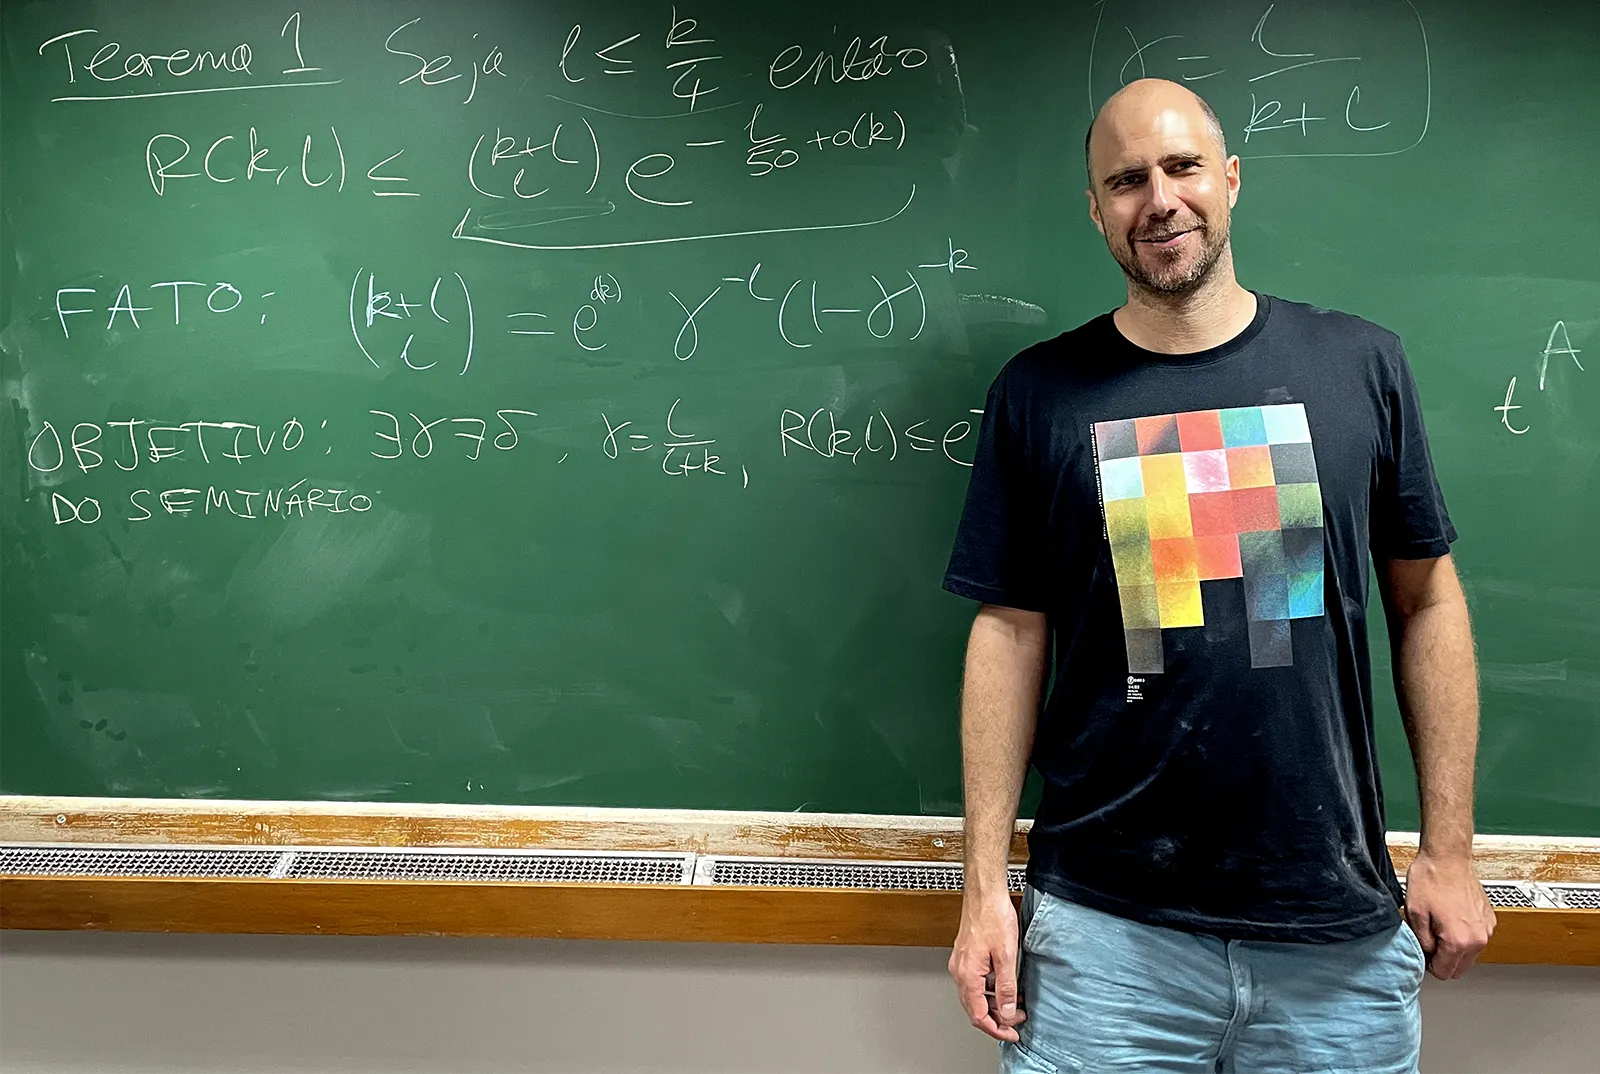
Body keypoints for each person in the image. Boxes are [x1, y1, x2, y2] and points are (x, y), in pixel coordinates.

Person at [942, 78, 1495, 1073]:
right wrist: (982, 884)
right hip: (1103, 941)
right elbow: (1009, 631)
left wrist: (1450, 849)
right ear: (1096, 208)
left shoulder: (1358, 366)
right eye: (1124, 180)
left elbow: (1429, 602)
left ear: (1230, 179)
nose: (1158, 200)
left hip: (1334, 935)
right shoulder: (1038, 394)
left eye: (1182, 167)